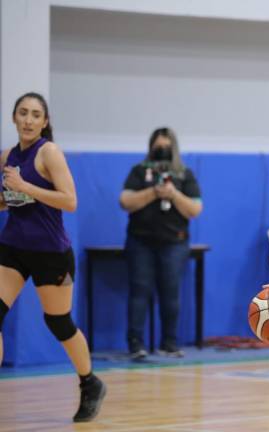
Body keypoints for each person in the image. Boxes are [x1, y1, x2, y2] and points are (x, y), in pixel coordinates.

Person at [0, 92, 106, 422]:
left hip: (51, 253)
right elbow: (10, 201)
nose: (28, 120)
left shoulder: (50, 153)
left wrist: (26, 186)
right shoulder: (6, 156)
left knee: (58, 322)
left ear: (44, 122)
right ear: (14, 118)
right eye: (23, 113)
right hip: (13, 249)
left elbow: (69, 201)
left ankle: (90, 383)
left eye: (35, 115)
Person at [119, 127, 202, 359]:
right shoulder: (139, 171)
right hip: (141, 242)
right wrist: (154, 193)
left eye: (166, 147)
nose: (162, 151)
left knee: (170, 293)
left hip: (174, 243)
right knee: (140, 291)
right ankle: (136, 344)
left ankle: (169, 343)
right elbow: (125, 201)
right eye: (158, 147)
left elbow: (195, 209)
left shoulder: (184, 175)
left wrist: (173, 194)